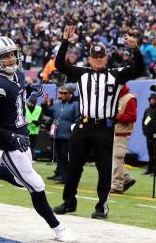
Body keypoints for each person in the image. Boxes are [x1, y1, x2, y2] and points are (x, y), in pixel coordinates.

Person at [0, 36, 75, 242]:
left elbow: (18, 93)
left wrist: (31, 90)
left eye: (12, 54)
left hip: (22, 134)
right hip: (8, 142)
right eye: (5, 56)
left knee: (22, 180)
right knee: (35, 184)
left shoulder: (18, 75)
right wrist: (10, 136)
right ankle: (58, 228)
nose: (11, 59)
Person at [52, 25, 145, 219]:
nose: (99, 60)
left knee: (104, 169)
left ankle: (102, 206)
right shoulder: (81, 72)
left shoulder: (116, 74)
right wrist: (65, 43)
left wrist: (135, 49)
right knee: (73, 166)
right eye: (95, 58)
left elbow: (139, 69)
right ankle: (69, 202)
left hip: (104, 127)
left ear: (106, 58)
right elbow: (59, 65)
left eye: (102, 57)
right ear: (89, 59)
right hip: (83, 125)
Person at [41, 84, 78, 184]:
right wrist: (44, 104)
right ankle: (59, 173)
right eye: (60, 92)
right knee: (59, 155)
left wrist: (73, 131)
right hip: (56, 134)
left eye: (65, 93)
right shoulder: (57, 104)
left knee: (64, 156)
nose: (62, 95)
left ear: (70, 94)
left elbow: (77, 119)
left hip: (67, 135)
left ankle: (65, 176)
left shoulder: (75, 105)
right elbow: (49, 113)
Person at [110, 84, 137, 194]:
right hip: (113, 131)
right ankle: (126, 178)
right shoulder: (116, 97)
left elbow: (133, 116)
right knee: (114, 159)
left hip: (121, 132)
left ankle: (117, 185)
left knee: (117, 158)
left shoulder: (129, 98)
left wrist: (117, 116)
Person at [142, 93, 156, 176]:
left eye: (153, 99)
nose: (152, 100)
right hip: (148, 135)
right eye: (150, 99)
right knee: (150, 152)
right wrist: (144, 130)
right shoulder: (147, 110)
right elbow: (144, 121)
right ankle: (149, 169)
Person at [25, 93, 43, 158]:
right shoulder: (24, 108)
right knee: (25, 146)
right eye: (31, 102)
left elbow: (40, 121)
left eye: (33, 103)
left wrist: (32, 121)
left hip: (34, 131)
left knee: (31, 146)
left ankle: (31, 158)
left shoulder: (39, 109)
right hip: (25, 130)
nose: (32, 104)